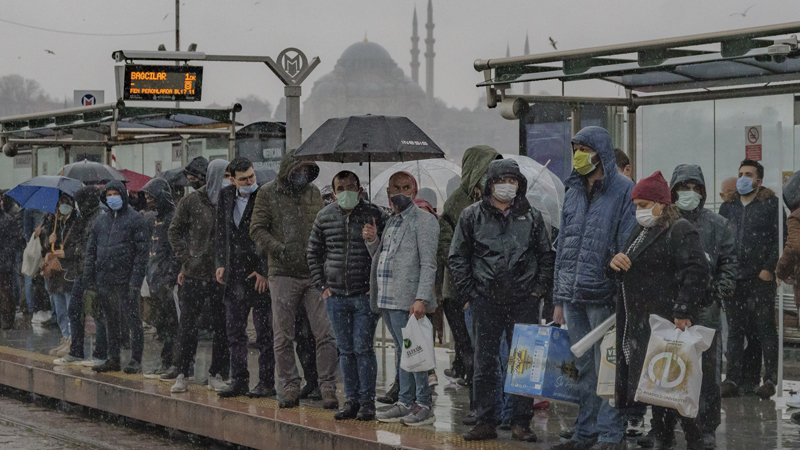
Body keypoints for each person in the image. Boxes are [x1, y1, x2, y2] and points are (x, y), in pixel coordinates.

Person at [449, 159, 555, 442]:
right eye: (501, 180)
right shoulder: (471, 216)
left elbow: (545, 255)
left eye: (512, 180)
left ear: (519, 184)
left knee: (523, 362)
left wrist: (538, 290)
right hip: (485, 300)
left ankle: (521, 421)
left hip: (524, 300)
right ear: (490, 184)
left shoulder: (531, 217)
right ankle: (485, 420)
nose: (507, 186)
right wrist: (470, 293)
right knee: (484, 362)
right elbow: (458, 257)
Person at [608, 170, 709, 450]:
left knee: (676, 386)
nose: (637, 210)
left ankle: (694, 439)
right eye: (636, 205)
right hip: (643, 321)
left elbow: (697, 270)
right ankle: (663, 437)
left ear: (660, 203)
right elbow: (629, 264)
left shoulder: (679, 229)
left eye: (642, 205)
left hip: (667, 321)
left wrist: (683, 309)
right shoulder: (641, 230)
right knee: (657, 387)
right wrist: (613, 262)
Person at [552, 126, 636, 450]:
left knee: (608, 369)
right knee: (584, 369)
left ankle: (609, 435)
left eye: (583, 148)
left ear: (600, 151)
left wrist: (610, 277)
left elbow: (626, 244)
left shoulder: (624, 190)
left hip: (603, 295)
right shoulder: (572, 190)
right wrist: (559, 297)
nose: (578, 155)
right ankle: (584, 432)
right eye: (575, 148)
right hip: (573, 296)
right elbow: (564, 247)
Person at [249, 149, 338, 409]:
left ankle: (327, 385)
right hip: (282, 273)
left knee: (324, 333)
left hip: (313, 273)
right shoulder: (268, 193)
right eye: (297, 170)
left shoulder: (312, 194)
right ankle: (289, 384)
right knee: (283, 334)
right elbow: (257, 228)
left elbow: (320, 228)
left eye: (305, 171)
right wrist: (278, 249)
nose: (301, 175)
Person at [307, 170, 387, 420]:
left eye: (351, 187)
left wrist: (375, 240)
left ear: (360, 190)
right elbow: (313, 252)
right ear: (333, 193)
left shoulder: (375, 215)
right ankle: (351, 400)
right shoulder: (324, 216)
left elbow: (387, 253)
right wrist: (322, 286)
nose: (346, 192)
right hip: (335, 296)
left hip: (364, 295)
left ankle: (367, 401)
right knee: (345, 349)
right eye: (341, 188)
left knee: (363, 348)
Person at [668, 165, 737, 448]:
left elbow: (729, 264)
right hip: (671, 308)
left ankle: (707, 425)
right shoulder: (665, 222)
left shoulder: (718, 224)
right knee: (669, 366)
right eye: (684, 188)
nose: (690, 194)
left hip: (706, 308)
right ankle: (666, 422)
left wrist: (718, 293)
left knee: (707, 369)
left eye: (696, 188)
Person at [371, 171, 439, 427]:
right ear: (388, 192)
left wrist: (421, 297)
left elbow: (428, 263)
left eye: (406, 187)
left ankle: (423, 404)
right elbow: (383, 256)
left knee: (414, 351)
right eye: (396, 188)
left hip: (408, 300)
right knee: (403, 353)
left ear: (415, 190)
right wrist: (371, 242)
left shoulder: (424, 221)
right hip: (387, 299)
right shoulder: (391, 221)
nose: (401, 192)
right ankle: (405, 400)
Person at [437, 145, 501, 397]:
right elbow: (445, 248)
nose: (490, 176)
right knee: (468, 348)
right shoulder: (457, 203)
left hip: (487, 290)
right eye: (486, 170)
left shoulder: (494, 200)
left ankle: (487, 399)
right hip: (458, 291)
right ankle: (478, 400)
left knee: (485, 349)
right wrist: (466, 271)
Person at [719, 160, 781, 400]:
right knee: (734, 330)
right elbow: (721, 241)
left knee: (765, 330)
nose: (743, 178)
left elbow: (780, 239)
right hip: (735, 278)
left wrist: (769, 268)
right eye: (740, 174)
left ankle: (770, 380)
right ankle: (732, 378)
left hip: (760, 279)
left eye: (748, 174)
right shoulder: (729, 207)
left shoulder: (770, 205)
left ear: (759, 180)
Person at [167, 159, 231, 392]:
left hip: (221, 275)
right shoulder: (192, 201)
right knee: (188, 325)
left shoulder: (232, 200)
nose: (228, 181)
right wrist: (187, 258)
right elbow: (174, 231)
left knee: (222, 326)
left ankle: (217, 373)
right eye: (225, 176)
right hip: (194, 274)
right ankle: (183, 372)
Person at [214, 158, 275, 399]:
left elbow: (270, 232)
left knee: (264, 333)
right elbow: (221, 233)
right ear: (232, 179)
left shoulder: (264, 195)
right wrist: (220, 263)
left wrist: (264, 270)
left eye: (251, 176)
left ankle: (267, 381)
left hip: (257, 273)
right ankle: (239, 379)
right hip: (234, 274)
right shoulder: (226, 196)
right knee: (235, 331)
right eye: (243, 179)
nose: (249, 181)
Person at [84, 181, 148, 373]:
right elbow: (91, 251)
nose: (112, 198)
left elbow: (142, 254)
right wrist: (89, 277)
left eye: (115, 194)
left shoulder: (136, 220)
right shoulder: (101, 221)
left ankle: (136, 359)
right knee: (109, 319)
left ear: (123, 195)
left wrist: (135, 281)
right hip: (105, 279)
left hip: (126, 280)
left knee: (132, 319)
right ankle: (113, 358)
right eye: (109, 194)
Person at [55, 186, 106, 366]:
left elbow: (93, 249)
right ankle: (76, 350)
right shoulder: (83, 219)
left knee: (98, 312)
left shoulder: (98, 219)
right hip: (82, 272)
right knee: (75, 309)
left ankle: (100, 354)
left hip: (93, 273)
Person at [140, 178, 181, 378]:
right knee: (163, 325)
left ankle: (176, 363)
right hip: (157, 280)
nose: (148, 201)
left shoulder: (173, 217)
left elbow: (175, 251)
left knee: (173, 325)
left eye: (151, 197)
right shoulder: (157, 219)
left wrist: (170, 277)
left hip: (167, 281)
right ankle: (167, 362)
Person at [41, 193, 79, 357]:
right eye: (60, 203)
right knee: (59, 308)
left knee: (71, 308)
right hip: (55, 273)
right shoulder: (53, 223)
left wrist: (67, 253)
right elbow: (45, 250)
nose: (63, 206)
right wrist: (48, 241)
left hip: (69, 271)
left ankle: (72, 339)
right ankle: (65, 337)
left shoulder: (77, 222)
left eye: (66, 202)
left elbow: (80, 246)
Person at [0, 194, 25, 330]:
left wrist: (5, 256)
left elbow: (14, 241)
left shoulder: (7, 220)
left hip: (4, 263)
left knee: (5, 292)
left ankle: (7, 319)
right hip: (5, 260)